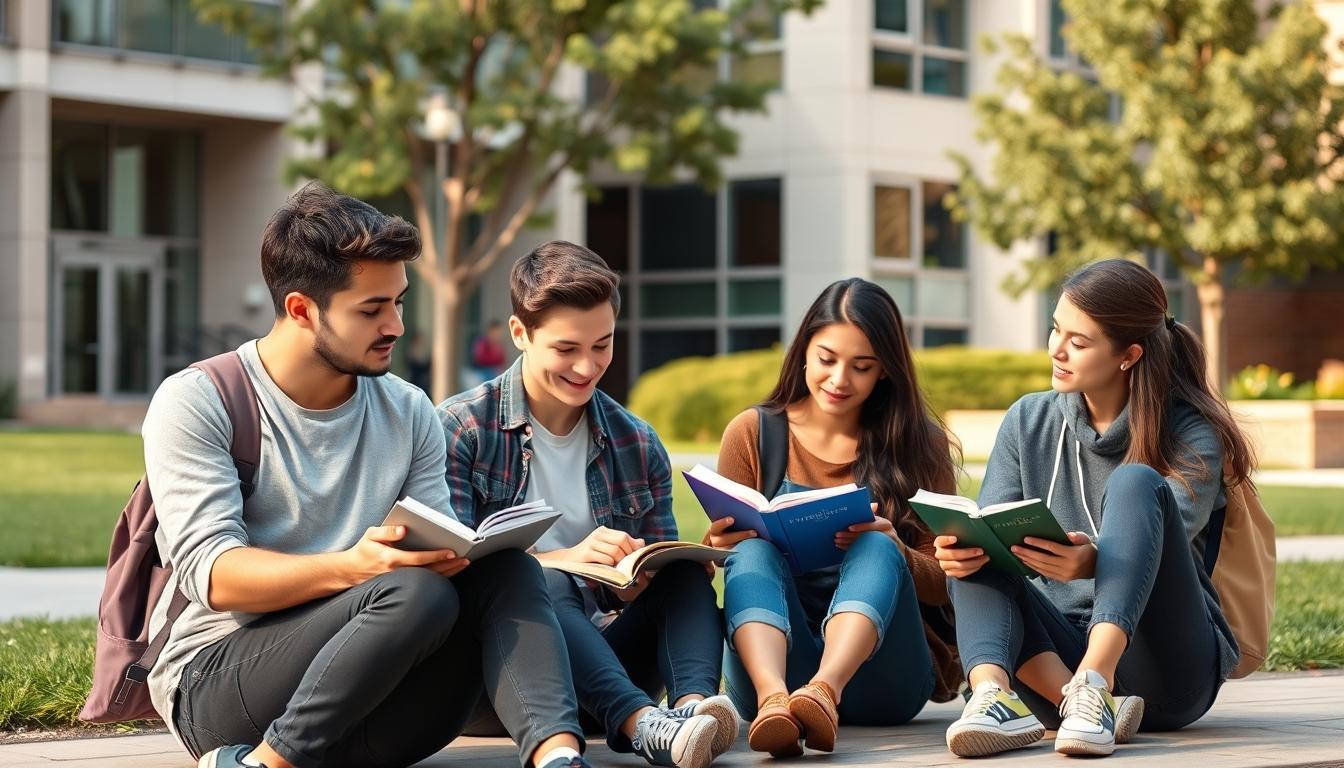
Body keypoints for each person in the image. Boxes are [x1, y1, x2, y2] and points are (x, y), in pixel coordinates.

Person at [143, 184, 590, 768]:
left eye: (399, 303)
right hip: (221, 688)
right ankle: (265, 764)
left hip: (374, 697)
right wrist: (357, 565)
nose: (397, 326)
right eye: (371, 309)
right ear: (302, 309)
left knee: (504, 570)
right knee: (413, 590)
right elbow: (213, 575)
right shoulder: (201, 400)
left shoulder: (408, 411)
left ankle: (558, 758)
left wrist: (461, 554)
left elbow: (440, 553)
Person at [937, 258, 1254, 759]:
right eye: (1055, 329)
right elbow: (991, 535)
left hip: (1168, 670)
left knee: (1135, 482)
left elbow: (1160, 540)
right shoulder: (1027, 419)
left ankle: (1096, 685)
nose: (1056, 350)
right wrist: (963, 552)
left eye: (1078, 342)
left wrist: (1092, 559)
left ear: (1128, 355)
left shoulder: (1192, 432)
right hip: (1051, 669)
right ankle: (994, 698)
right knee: (975, 547)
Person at [438, 241, 738, 768]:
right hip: (503, 681)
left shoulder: (637, 441)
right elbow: (451, 570)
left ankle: (692, 719)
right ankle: (644, 726)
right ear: (519, 334)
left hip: (610, 665)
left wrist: (635, 577)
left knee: (685, 572)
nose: (586, 366)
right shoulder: (462, 429)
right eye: (565, 349)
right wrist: (566, 559)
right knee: (540, 581)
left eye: (603, 345)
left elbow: (647, 567)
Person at [706, 278, 963, 758]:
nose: (839, 380)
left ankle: (825, 691)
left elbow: (948, 583)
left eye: (861, 367)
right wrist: (718, 546)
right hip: (772, 674)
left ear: (885, 370)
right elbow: (717, 563)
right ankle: (775, 702)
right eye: (826, 360)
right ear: (803, 351)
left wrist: (900, 552)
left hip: (885, 676)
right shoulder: (753, 433)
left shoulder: (919, 445)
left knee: (877, 542)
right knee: (752, 548)